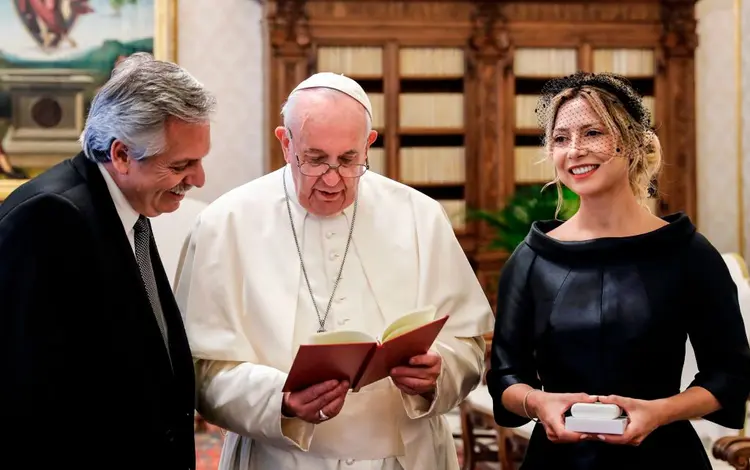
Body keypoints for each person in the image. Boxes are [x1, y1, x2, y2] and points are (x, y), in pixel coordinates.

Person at [173, 72, 495, 470]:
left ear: (368, 144)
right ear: (285, 142)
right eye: (315, 159)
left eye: (348, 160)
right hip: (279, 458)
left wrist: (438, 373)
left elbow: (467, 344)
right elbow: (202, 370)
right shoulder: (225, 222)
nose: (331, 179)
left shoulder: (419, 215)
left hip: (406, 458)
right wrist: (280, 398)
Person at [486, 71, 750, 469]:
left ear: (632, 143)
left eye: (593, 133)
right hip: (557, 462)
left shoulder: (688, 252)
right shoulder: (531, 258)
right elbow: (505, 377)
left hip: (665, 459)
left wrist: (660, 411)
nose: (574, 150)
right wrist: (539, 402)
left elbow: (730, 374)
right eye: (560, 138)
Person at [0, 52, 216, 467]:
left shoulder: (129, 204)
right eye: (181, 165)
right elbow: (26, 401)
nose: (198, 178)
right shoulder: (48, 217)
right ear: (120, 155)